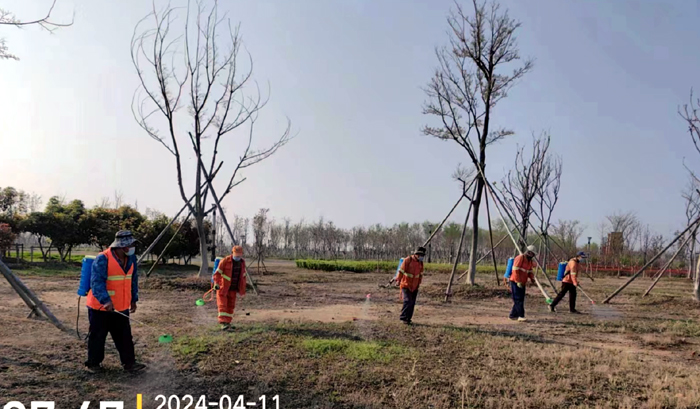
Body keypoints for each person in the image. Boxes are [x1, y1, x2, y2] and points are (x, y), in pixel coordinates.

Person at [84, 230, 146, 373]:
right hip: (100, 307)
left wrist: (133, 299)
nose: (132, 248)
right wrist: (105, 300)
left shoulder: (131, 259)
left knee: (124, 336)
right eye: (130, 245)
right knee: (98, 336)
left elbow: (133, 280)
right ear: (122, 246)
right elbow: (96, 282)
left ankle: (129, 363)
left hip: (121, 306)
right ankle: (93, 364)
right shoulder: (103, 258)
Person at [213, 245, 247, 331]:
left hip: (233, 288)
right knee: (222, 305)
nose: (237, 257)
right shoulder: (224, 261)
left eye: (239, 255)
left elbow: (242, 277)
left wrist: (242, 288)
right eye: (236, 255)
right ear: (232, 253)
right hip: (223, 288)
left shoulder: (242, 263)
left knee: (230, 306)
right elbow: (217, 274)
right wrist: (216, 284)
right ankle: (223, 323)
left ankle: (228, 322)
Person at [395, 247, 425, 325]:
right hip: (406, 285)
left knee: (412, 303)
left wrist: (418, 284)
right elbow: (401, 271)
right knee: (407, 301)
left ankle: (408, 319)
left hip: (415, 286)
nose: (422, 257)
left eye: (423, 255)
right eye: (421, 255)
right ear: (417, 254)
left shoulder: (420, 263)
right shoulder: (408, 260)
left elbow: (420, 275)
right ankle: (403, 317)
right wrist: (398, 280)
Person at [509, 245, 538, 322]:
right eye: (532, 254)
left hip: (523, 282)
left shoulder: (529, 261)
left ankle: (513, 315)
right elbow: (515, 270)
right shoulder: (520, 258)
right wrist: (517, 281)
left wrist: (532, 279)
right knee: (518, 299)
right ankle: (521, 316)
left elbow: (530, 271)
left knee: (520, 299)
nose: (533, 256)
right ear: (529, 252)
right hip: (515, 282)